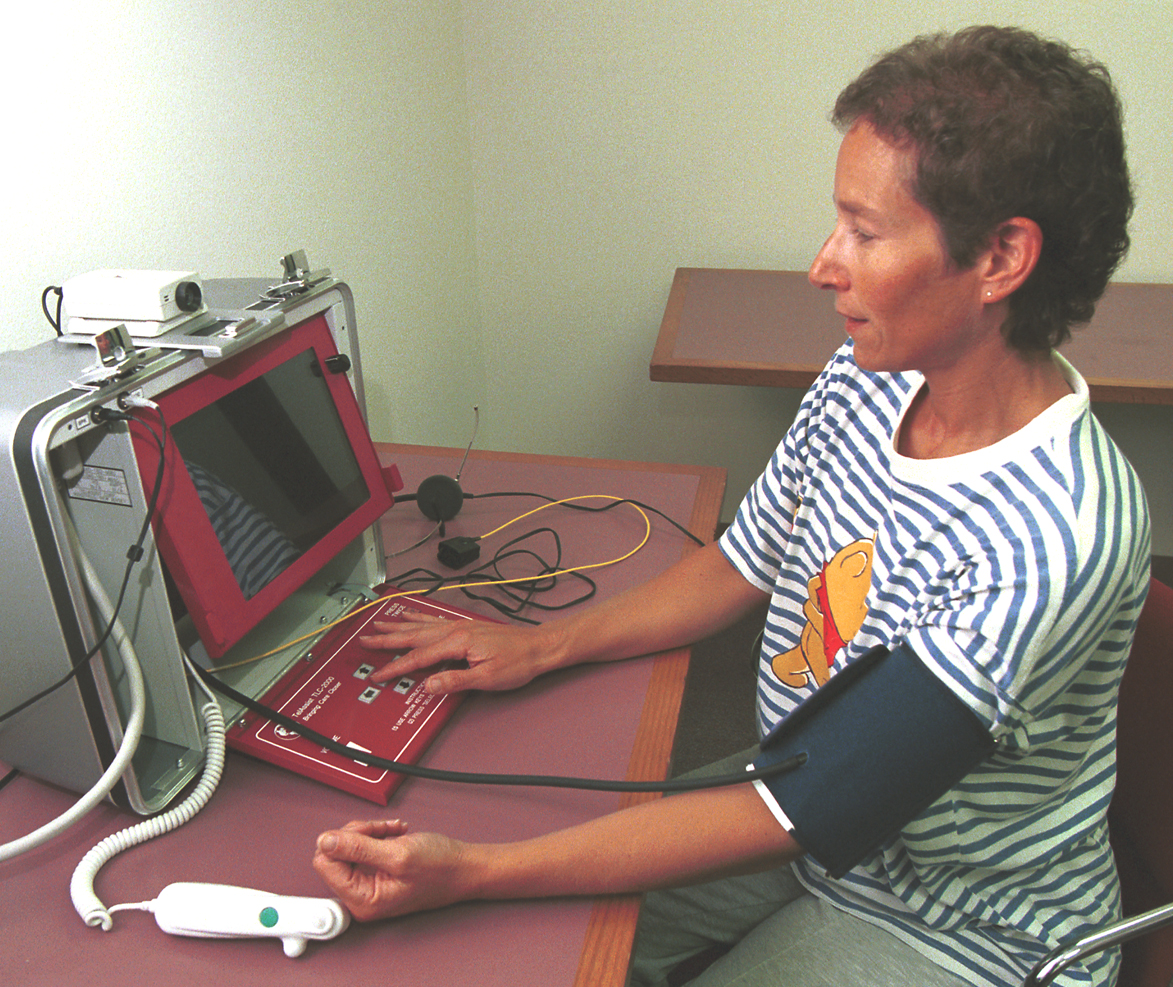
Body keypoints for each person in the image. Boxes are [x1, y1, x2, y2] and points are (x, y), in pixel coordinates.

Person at [312, 26, 1149, 987]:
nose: (823, 264)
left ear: (1001, 258)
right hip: (804, 797)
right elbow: (742, 558)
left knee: (522, 906)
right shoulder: (872, 373)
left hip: (953, 921)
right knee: (518, 951)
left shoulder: (1052, 537)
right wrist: (544, 644)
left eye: (865, 233)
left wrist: (478, 871)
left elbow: (808, 807)